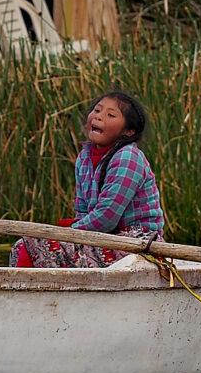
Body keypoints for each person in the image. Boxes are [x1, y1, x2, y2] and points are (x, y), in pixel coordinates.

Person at [14, 90, 164, 269]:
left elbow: (107, 216)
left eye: (110, 115)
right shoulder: (85, 158)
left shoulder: (128, 157)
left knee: (40, 245)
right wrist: (72, 230)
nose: (98, 117)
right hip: (102, 237)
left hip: (136, 242)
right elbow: (83, 210)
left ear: (128, 131)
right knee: (23, 245)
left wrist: (70, 231)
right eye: (97, 110)